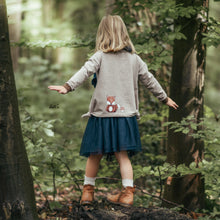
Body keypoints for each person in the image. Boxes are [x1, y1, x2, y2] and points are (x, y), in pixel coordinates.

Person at [48, 15, 178, 207]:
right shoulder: (135, 59)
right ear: (123, 33)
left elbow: (84, 71)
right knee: (122, 156)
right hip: (125, 116)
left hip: (102, 115)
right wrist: (164, 97)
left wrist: (67, 86)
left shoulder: (100, 56)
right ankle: (127, 194)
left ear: (103, 34)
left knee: (94, 154)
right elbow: (149, 79)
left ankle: (87, 194)